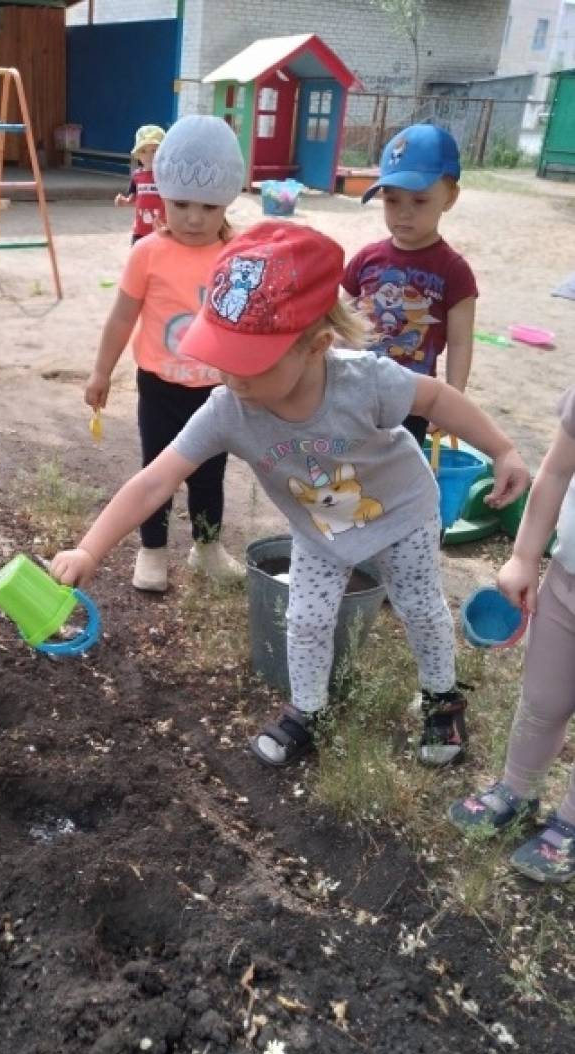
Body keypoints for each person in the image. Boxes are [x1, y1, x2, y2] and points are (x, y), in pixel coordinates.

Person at [55, 222, 530, 767]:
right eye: (222, 354)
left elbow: (438, 399)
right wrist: (90, 549)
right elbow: (155, 480)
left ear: (316, 345)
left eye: (249, 362)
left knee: (420, 608)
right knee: (305, 618)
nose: (232, 375)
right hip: (321, 528)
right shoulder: (229, 408)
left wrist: (503, 449)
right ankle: (309, 710)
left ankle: (443, 700)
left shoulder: (363, 380)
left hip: (401, 510)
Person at [87, 114, 247, 593]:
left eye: (209, 206)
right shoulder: (148, 253)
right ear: (160, 192)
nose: (194, 218)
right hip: (159, 385)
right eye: (181, 204)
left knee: (209, 472)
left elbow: (249, 324)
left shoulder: (238, 253)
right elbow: (121, 317)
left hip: (217, 391)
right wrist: (101, 372)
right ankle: (152, 551)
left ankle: (207, 547)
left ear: (227, 202)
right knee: (156, 468)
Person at [449, 385, 575, 883]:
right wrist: (524, 556)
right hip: (568, 585)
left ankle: (570, 823)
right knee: (541, 700)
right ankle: (516, 789)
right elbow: (558, 471)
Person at [342, 124, 477, 449]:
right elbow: (339, 319)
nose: (403, 213)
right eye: (391, 200)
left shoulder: (454, 271)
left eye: (419, 200)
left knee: (399, 475)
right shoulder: (366, 258)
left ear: (450, 197)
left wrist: (453, 400)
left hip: (414, 398)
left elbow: (460, 342)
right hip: (355, 388)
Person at [115, 124, 167, 244]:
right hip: (140, 231)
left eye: (154, 150)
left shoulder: (165, 176)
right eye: (143, 151)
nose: (149, 155)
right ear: (138, 155)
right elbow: (133, 198)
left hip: (162, 231)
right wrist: (124, 201)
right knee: (138, 260)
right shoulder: (137, 176)